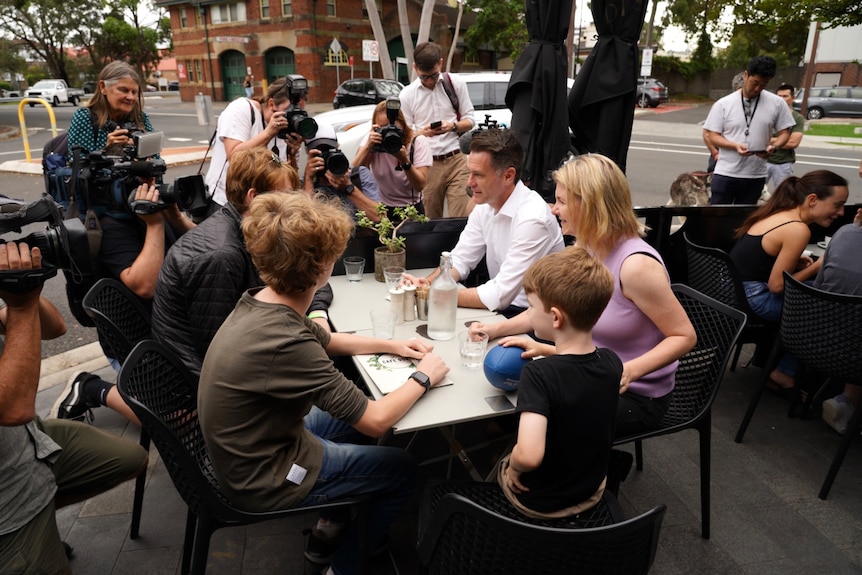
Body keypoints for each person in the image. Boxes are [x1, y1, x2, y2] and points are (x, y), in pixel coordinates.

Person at [198, 193, 449, 575]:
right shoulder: (287, 341)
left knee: (356, 413)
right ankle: (343, 566)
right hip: (264, 476)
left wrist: (393, 344)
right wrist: (425, 375)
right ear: (323, 267)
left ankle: (330, 527)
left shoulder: (264, 300)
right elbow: (376, 420)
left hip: (251, 445)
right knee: (400, 467)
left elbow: (327, 339)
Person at [471, 154, 696, 437]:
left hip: (637, 396)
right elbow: (546, 308)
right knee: (518, 399)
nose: (554, 210)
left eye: (562, 202)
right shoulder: (586, 248)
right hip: (591, 371)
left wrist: (627, 372)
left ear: (591, 205)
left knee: (535, 411)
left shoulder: (636, 267)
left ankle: (583, 472)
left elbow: (684, 336)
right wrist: (494, 329)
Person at [54, 62, 196, 423]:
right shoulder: (86, 119)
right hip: (106, 214)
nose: (131, 98)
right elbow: (78, 166)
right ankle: (114, 379)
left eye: (135, 92)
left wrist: (145, 158)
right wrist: (108, 145)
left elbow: (156, 159)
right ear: (104, 87)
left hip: (138, 202)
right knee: (131, 293)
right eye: (124, 92)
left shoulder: (140, 118)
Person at [0, 241, 147, 573]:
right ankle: (34, 525)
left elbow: (55, 328)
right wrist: (21, 305)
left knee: (131, 459)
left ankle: (43, 514)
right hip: (7, 505)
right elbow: (13, 408)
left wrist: (26, 289)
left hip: (28, 442)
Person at [152, 147, 334, 379]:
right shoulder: (221, 255)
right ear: (254, 197)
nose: (294, 202)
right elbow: (219, 351)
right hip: (197, 391)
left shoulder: (255, 230)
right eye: (286, 194)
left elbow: (309, 274)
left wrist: (318, 313)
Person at [498, 247, 622, 518]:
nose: (529, 314)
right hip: (592, 490)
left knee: (505, 459)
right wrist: (545, 349)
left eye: (531, 307)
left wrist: (515, 467)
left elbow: (530, 456)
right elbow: (581, 362)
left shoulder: (539, 375)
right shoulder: (612, 362)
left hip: (541, 503)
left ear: (555, 317)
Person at [402, 129, 564, 317]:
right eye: (469, 173)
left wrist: (436, 294)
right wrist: (428, 284)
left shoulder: (533, 218)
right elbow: (460, 260)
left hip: (536, 321)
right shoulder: (486, 204)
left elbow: (501, 294)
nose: (469, 183)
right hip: (502, 311)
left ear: (508, 176)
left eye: (478, 175)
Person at [728, 170, 848, 389]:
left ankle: (774, 364)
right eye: (837, 205)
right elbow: (777, 286)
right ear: (812, 200)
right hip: (754, 297)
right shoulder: (798, 229)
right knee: (828, 309)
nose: (841, 212)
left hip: (730, 289)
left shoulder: (779, 213)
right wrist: (819, 265)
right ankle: (785, 372)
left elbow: (761, 260)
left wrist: (795, 263)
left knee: (818, 294)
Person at [703, 56, 795, 204]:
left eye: (763, 85)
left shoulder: (777, 103)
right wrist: (734, 146)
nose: (758, 89)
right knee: (717, 219)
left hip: (755, 175)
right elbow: (712, 135)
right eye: (755, 83)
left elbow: (785, 133)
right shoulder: (724, 104)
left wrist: (775, 146)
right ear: (746, 75)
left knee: (744, 221)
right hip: (726, 172)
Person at [399, 42, 475, 218]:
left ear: (440, 64)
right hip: (427, 164)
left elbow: (470, 120)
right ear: (415, 68)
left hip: (457, 159)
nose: (430, 81)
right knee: (431, 220)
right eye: (424, 77)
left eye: (434, 75)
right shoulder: (408, 94)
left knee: (461, 218)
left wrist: (452, 126)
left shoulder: (455, 84)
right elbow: (405, 135)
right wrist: (423, 133)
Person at [205, 77, 304, 206]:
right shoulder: (242, 109)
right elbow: (235, 158)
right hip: (227, 202)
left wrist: (293, 153)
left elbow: (290, 179)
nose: (294, 116)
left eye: (300, 112)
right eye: (289, 110)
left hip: (265, 206)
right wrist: (268, 133)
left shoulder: (291, 129)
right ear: (271, 104)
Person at [815, 209, 862, 433]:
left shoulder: (844, 232)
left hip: (814, 337)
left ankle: (846, 398)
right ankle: (848, 400)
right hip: (854, 354)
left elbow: (820, 284)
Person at [352, 99, 432, 218]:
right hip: (381, 207)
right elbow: (354, 172)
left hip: (411, 208)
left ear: (402, 125)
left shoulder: (417, 142)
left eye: (392, 126)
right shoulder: (374, 140)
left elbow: (420, 185)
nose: (388, 132)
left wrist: (404, 161)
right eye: (382, 128)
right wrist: (368, 146)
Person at [304, 121, 382, 222]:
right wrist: (308, 179)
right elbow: (306, 223)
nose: (325, 157)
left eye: (329, 150)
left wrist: (348, 188)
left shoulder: (358, 175)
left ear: (337, 148)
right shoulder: (306, 183)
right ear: (308, 154)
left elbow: (380, 217)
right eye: (319, 153)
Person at [765, 83, 805, 191]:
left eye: (785, 96)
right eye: (779, 96)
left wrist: (767, 140)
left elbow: (793, 143)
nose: (781, 99)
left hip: (783, 163)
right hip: (763, 161)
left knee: (783, 195)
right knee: (753, 193)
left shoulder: (797, 118)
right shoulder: (767, 114)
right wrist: (782, 140)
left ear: (793, 98)